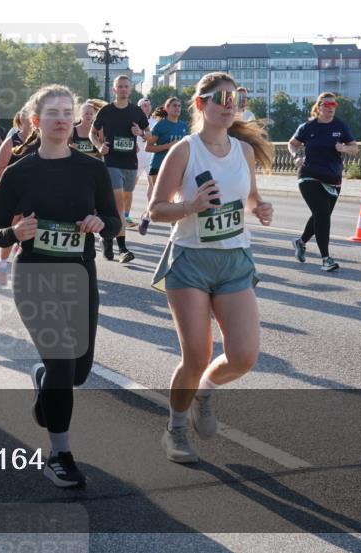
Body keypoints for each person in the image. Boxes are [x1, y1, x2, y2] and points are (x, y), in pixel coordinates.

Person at [0, 84, 120, 488]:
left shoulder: (92, 168)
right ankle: (59, 454)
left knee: (77, 372)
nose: (61, 119)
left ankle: (45, 381)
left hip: (80, 278)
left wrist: (102, 225)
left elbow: (115, 222)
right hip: (35, 279)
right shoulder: (18, 172)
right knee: (63, 362)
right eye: (52, 113)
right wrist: (14, 231)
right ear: (36, 121)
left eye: (68, 112)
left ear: (77, 119)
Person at [146, 72, 274, 464]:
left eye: (234, 96)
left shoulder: (244, 152)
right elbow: (155, 210)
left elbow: (249, 198)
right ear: (201, 104)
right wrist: (190, 206)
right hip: (190, 261)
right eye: (219, 97)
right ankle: (176, 429)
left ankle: (204, 391)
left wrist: (260, 207)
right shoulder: (184, 151)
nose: (228, 102)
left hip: (234, 259)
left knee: (243, 356)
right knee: (196, 354)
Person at [287, 92, 358, 272]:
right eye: (327, 104)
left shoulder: (340, 126)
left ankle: (300, 242)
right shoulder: (308, 127)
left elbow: (354, 148)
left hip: (333, 178)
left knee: (321, 215)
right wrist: (296, 156)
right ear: (319, 107)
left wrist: (343, 148)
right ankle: (326, 259)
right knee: (322, 215)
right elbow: (292, 143)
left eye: (333, 104)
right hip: (309, 174)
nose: (331, 107)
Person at [91, 76, 148, 263]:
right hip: (112, 162)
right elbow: (93, 133)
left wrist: (140, 133)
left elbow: (149, 135)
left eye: (126, 86)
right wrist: (100, 147)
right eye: (119, 87)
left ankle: (107, 236)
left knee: (123, 202)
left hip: (130, 163)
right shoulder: (106, 111)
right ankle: (123, 248)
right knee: (120, 207)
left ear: (130, 90)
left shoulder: (136, 111)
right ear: (114, 90)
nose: (123, 89)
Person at [0, 108, 33, 285]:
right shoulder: (11, 141)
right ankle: (2, 262)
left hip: (33, 191)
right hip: (13, 191)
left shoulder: (39, 141)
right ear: (21, 120)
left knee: (29, 226)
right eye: (28, 117)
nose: (31, 120)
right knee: (13, 225)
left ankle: (22, 262)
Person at [139, 98, 188, 235]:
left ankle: (174, 229)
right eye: (174, 106)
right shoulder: (161, 125)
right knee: (158, 198)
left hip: (177, 166)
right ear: (166, 108)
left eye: (179, 106)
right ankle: (147, 217)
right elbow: (148, 147)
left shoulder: (183, 125)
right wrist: (169, 146)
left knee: (175, 198)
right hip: (158, 165)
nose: (177, 108)